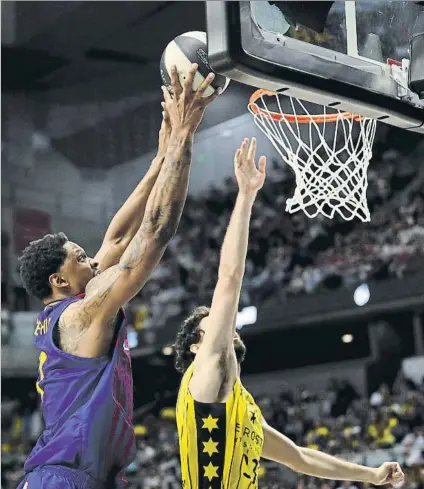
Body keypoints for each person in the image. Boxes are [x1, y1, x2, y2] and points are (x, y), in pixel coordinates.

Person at [17, 64, 220, 489]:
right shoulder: (81, 315)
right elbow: (153, 234)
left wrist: (161, 158)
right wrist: (184, 136)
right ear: (59, 280)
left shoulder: (66, 311)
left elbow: (120, 234)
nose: (92, 258)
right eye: (80, 256)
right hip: (66, 479)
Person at [173, 138, 405, 489]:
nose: (225, 319)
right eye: (214, 318)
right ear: (195, 345)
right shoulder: (202, 377)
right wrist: (246, 197)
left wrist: (370, 475)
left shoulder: (241, 407)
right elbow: (230, 279)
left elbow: (299, 458)